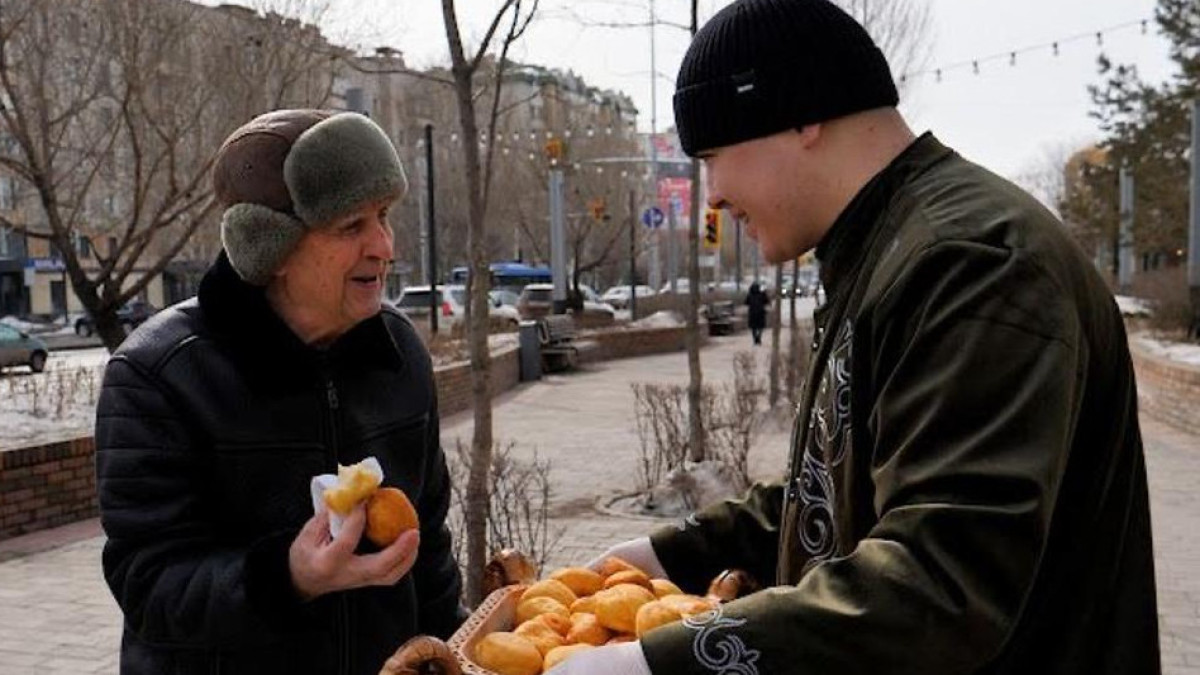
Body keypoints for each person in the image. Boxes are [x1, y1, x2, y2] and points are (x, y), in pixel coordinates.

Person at [545, 0, 1160, 673]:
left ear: (803, 112)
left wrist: (665, 663)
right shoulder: (889, 251)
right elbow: (842, 492)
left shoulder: (971, 263)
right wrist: (669, 554)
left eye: (713, 154)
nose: (713, 194)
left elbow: (941, 585)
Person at [96, 109, 464, 674]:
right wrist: (288, 577)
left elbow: (429, 546)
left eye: (384, 216)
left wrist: (458, 653)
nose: (384, 246)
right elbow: (150, 586)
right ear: (272, 249)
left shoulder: (399, 352)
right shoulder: (159, 374)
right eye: (351, 227)